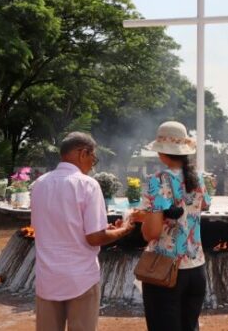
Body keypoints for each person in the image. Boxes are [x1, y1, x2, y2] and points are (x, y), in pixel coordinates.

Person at [31, 132, 136, 331]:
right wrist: (122, 231)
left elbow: (45, 228)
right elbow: (94, 237)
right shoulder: (87, 184)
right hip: (80, 277)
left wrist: (105, 231)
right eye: (93, 158)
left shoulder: (39, 184)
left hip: (48, 276)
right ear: (83, 153)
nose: (92, 164)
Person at [136, 121, 211, 331]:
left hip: (166, 270)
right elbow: (202, 205)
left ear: (161, 152)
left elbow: (151, 232)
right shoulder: (200, 179)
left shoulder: (157, 181)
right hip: (196, 267)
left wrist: (143, 222)